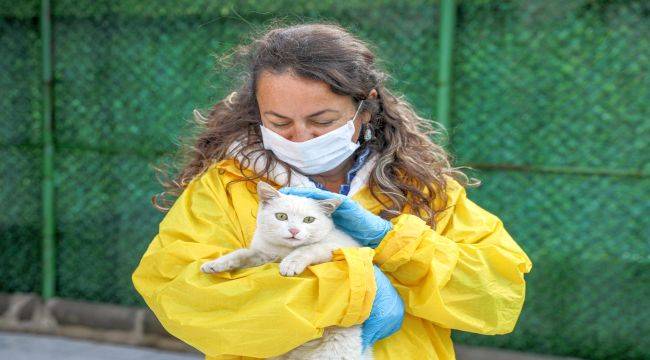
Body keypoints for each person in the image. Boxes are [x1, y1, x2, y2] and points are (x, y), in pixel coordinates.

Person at [131, 23, 533, 360]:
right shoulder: (225, 188)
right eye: (278, 120)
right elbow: (185, 298)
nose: (301, 136)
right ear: (256, 112)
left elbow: (496, 296)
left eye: (322, 120)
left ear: (366, 108)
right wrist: (356, 285)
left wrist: (394, 245)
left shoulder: (421, 187)